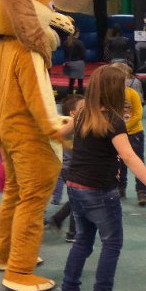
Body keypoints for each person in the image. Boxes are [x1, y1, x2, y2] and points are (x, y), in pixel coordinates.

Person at [53, 65, 146, 291]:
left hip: (75, 188)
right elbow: (129, 157)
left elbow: (57, 132)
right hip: (99, 191)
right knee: (112, 243)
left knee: (83, 241)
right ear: (115, 91)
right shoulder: (113, 121)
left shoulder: (82, 114)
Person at [46, 94, 85, 242]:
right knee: (78, 200)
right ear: (73, 113)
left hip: (71, 168)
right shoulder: (70, 128)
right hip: (72, 169)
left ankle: (58, 220)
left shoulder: (73, 126)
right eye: (83, 108)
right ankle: (72, 232)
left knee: (77, 199)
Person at [112, 63, 146, 206]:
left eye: (124, 78)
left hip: (134, 134)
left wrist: (123, 129)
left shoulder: (132, 93)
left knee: (138, 161)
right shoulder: (111, 94)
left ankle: (141, 191)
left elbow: (137, 114)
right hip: (117, 134)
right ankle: (120, 188)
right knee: (119, 162)